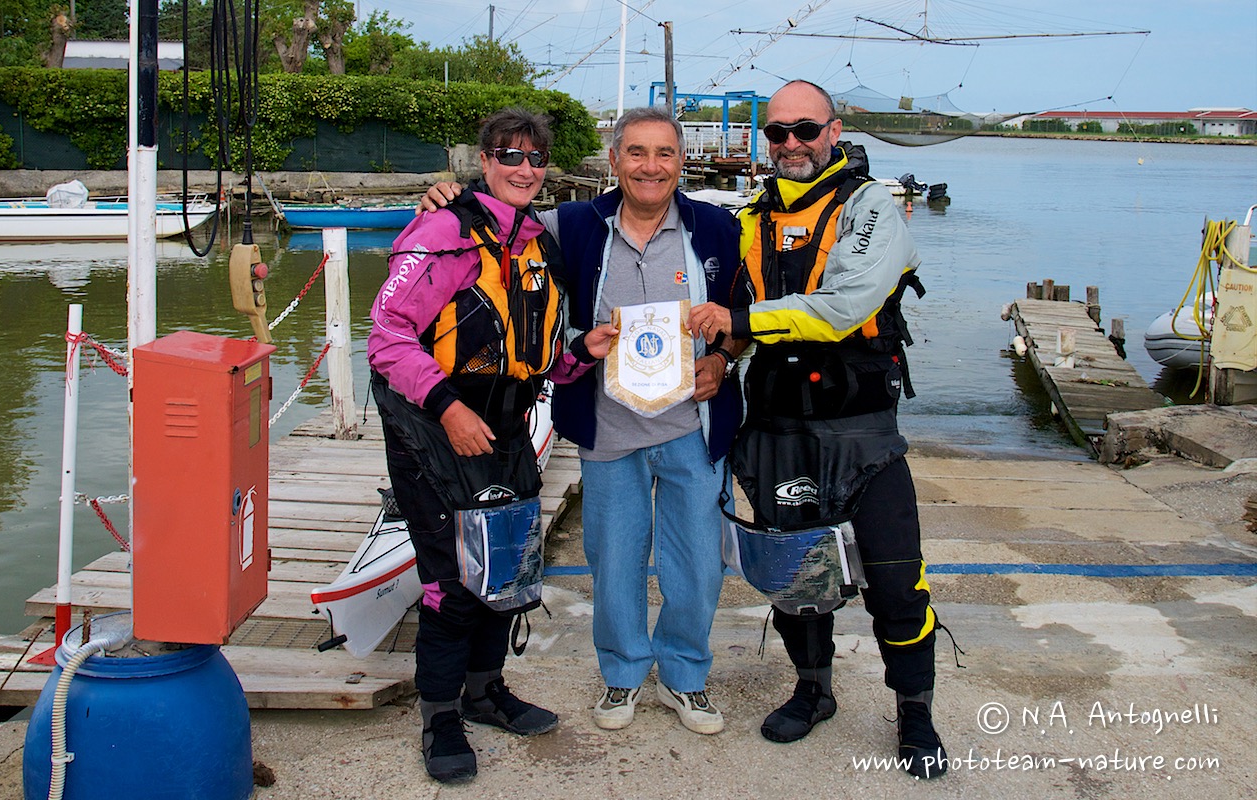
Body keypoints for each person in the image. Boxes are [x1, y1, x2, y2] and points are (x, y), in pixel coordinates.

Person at [421, 106, 746, 736]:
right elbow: (492, 222)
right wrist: (442, 196)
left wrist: (726, 361)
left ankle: (686, 676)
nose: (651, 167)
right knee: (614, 558)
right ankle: (623, 673)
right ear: (614, 160)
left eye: (665, 154)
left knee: (700, 563)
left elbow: (742, 311)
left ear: (681, 161)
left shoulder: (718, 228)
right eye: (636, 153)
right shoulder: (569, 224)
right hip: (607, 429)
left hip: (693, 427)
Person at [689, 80, 948, 779]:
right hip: (776, 429)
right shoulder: (749, 220)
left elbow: (842, 308)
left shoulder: (873, 208)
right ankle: (813, 690)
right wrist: (717, 355)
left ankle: (916, 714)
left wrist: (738, 326)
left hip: (862, 432)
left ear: (833, 132)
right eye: (778, 134)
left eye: (806, 130)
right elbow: (726, 309)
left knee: (896, 584)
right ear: (764, 142)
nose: (792, 144)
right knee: (798, 579)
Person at [368, 108, 615, 784]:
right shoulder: (441, 231)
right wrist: (445, 409)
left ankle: (485, 691)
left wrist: (582, 355)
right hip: (433, 422)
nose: (524, 170)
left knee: (503, 566)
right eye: (510, 156)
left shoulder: (540, 242)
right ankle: (440, 718)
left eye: (535, 159)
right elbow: (387, 336)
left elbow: (537, 357)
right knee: (452, 582)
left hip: (505, 425)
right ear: (484, 161)